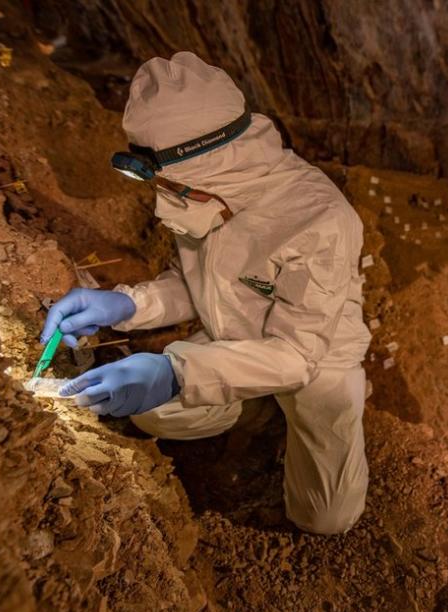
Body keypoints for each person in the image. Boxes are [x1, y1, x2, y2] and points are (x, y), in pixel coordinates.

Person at [39, 52, 371, 535]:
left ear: (209, 166)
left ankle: (278, 411)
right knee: (152, 414)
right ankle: (251, 405)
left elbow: (297, 356)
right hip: (229, 338)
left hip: (315, 359)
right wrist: (127, 305)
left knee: (326, 516)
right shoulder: (197, 190)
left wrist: (178, 372)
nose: (161, 203)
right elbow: (192, 283)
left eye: (168, 187)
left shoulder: (319, 219)